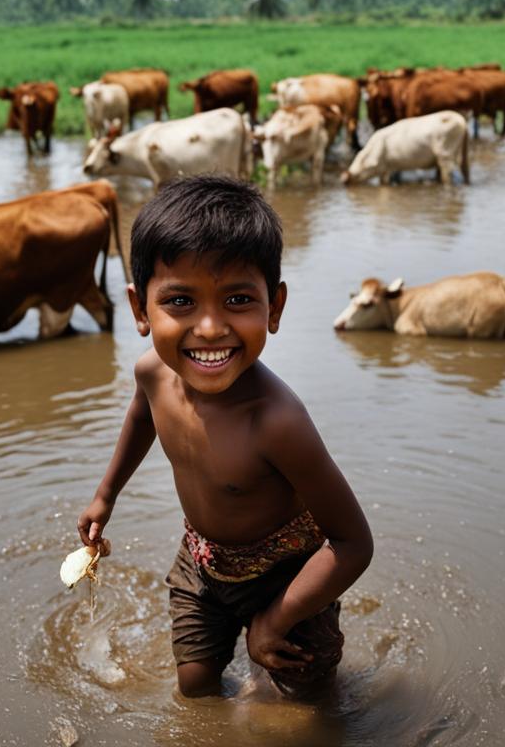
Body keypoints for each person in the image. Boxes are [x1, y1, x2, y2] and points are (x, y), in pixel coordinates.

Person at [76, 175, 373, 699]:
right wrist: (106, 495)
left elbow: (352, 544)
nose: (210, 328)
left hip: (289, 576)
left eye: (238, 299)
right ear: (140, 309)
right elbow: (142, 415)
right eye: (180, 302)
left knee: (310, 710)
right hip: (202, 562)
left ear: (274, 307)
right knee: (194, 690)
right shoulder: (152, 374)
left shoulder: (276, 422)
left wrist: (275, 620)